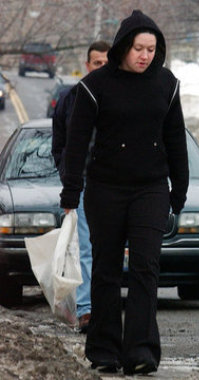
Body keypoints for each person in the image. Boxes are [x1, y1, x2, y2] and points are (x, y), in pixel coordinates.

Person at [59, 10, 189, 375]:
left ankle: (142, 351)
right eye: (138, 48)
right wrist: (72, 191)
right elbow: (76, 143)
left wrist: (178, 192)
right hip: (105, 189)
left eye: (151, 49)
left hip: (150, 188)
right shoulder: (94, 86)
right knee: (106, 268)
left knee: (146, 266)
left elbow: (176, 140)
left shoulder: (167, 84)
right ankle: (104, 350)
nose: (145, 55)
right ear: (123, 47)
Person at [52, 40, 111, 334]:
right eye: (96, 63)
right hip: (85, 183)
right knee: (87, 247)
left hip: (115, 183)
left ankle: (108, 307)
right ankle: (87, 310)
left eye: (106, 62)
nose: (101, 67)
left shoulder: (120, 97)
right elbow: (60, 142)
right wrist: (68, 176)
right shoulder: (70, 98)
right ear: (87, 66)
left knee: (112, 247)